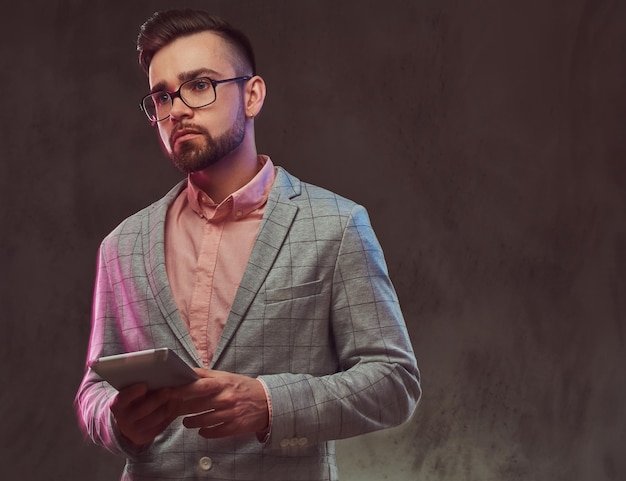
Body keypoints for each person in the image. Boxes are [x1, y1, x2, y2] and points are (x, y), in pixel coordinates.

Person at [75, 8, 421, 481]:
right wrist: (116, 420)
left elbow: (394, 382)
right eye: (161, 96)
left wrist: (270, 403)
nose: (176, 110)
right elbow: (93, 389)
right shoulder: (122, 244)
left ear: (252, 95)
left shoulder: (337, 226)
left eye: (200, 85)